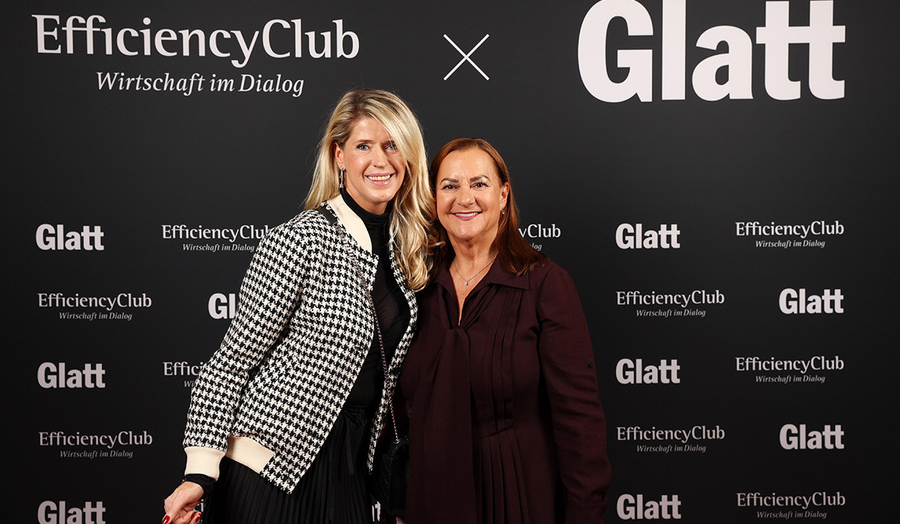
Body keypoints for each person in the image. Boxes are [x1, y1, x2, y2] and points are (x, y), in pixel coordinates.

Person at [162, 89, 432, 524]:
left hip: (351, 474)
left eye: (392, 145)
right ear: (339, 156)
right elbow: (229, 364)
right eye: (364, 146)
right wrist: (199, 472)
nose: (380, 160)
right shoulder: (299, 240)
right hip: (271, 471)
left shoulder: (408, 252)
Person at [400, 138, 611, 524]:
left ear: (503, 195)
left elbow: (580, 422)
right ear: (434, 199)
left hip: (520, 497)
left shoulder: (545, 284)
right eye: (449, 185)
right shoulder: (416, 288)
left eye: (479, 184)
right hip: (431, 501)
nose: (464, 198)